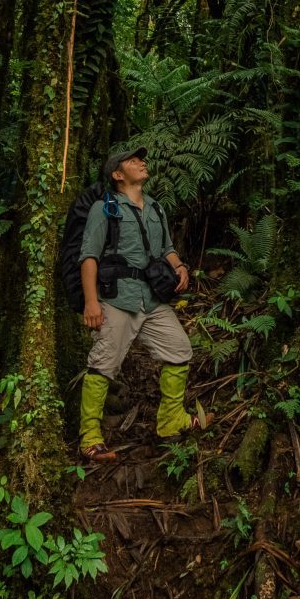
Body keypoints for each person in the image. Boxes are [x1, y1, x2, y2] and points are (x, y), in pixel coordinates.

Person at [77, 142, 206, 460]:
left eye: (141, 160)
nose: (142, 163)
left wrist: (179, 266)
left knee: (179, 350)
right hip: (116, 299)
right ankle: (90, 438)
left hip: (152, 299)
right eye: (133, 161)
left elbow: (167, 249)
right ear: (118, 174)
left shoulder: (156, 208)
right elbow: (89, 257)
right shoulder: (104, 208)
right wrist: (91, 302)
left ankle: (170, 421)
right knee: (103, 364)